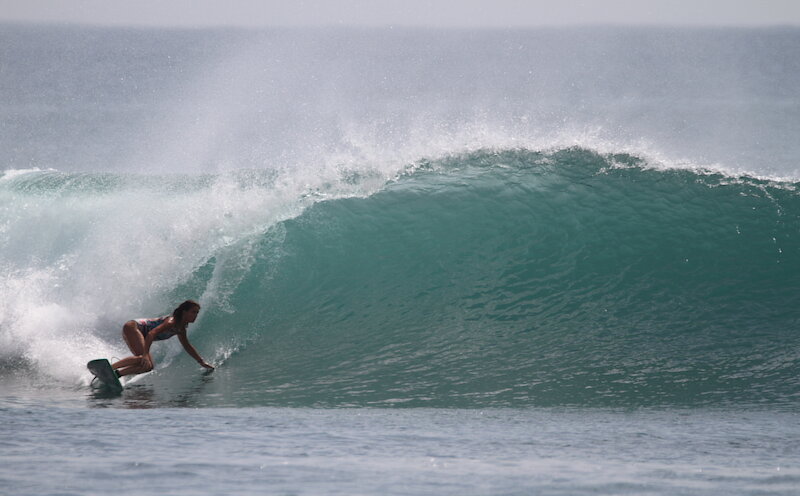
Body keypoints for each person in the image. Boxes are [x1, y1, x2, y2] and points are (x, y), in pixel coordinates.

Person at [111, 300, 214, 377]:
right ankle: (111, 368)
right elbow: (152, 333)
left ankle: (116, 374)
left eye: (197, 313)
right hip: (133, 327)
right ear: (184, 312)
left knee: (148, 366)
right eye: (193, 312)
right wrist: (146, 354)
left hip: (139, 333)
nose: (195, 315)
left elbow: (187, 346)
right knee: (142, 358)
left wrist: (201, 362)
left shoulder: (181, 329)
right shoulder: (171, 322)